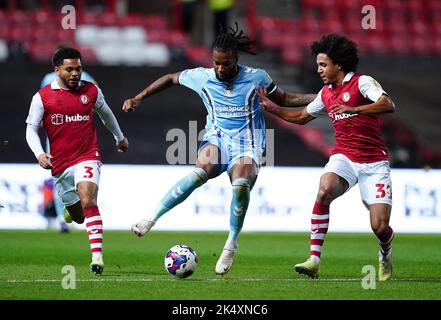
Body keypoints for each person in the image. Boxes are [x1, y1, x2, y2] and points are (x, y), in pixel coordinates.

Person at [122, 23, 315, 275]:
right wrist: (139, 97)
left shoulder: (257, 77)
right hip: (218, 138)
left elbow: (286, 99)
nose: (220, 68)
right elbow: (171, 78)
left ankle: (231, 243)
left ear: (236, 59)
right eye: (216, 63)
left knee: (241, 184)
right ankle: (151, 217)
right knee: (200, 171)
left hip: (249, 143)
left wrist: (322, 97)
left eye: (226, 63)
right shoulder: (202, 76)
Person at [258, 33, 396, 281]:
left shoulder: (362, 83)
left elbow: (388, 104)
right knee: (325, 189)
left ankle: (385, 251)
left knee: (380, 226)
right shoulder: (326, 93)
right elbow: (301, 117)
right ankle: (314, 260)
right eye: (318, 65)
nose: (319, 69)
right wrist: (272, 108)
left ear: (338, 65)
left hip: (374, 163)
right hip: (343, 156)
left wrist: (355, 109)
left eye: (323, 64)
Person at [25, 47, 129, 275]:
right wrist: (40, 154)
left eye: (78, 69)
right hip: (60, 164)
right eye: (69, 69)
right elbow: (31, 130)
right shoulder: (42, 97)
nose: (75, 73)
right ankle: (70, 211)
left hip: (87, 156)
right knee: (79, 216)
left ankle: (97, 257)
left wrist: (119, 138)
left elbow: (107, 114)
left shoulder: (91, 91)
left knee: (89, 199)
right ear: (57, 70)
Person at [40, 47, 98, 233]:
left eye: (75, 67)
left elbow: (97, 98)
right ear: (57, 66)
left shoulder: (85, 77)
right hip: (57, 139)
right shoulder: (48, 80)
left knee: (82, 179)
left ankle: (76, 210)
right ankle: (62, 217)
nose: (73, 72)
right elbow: (42, 104)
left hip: (80, 139)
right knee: (61, 179)